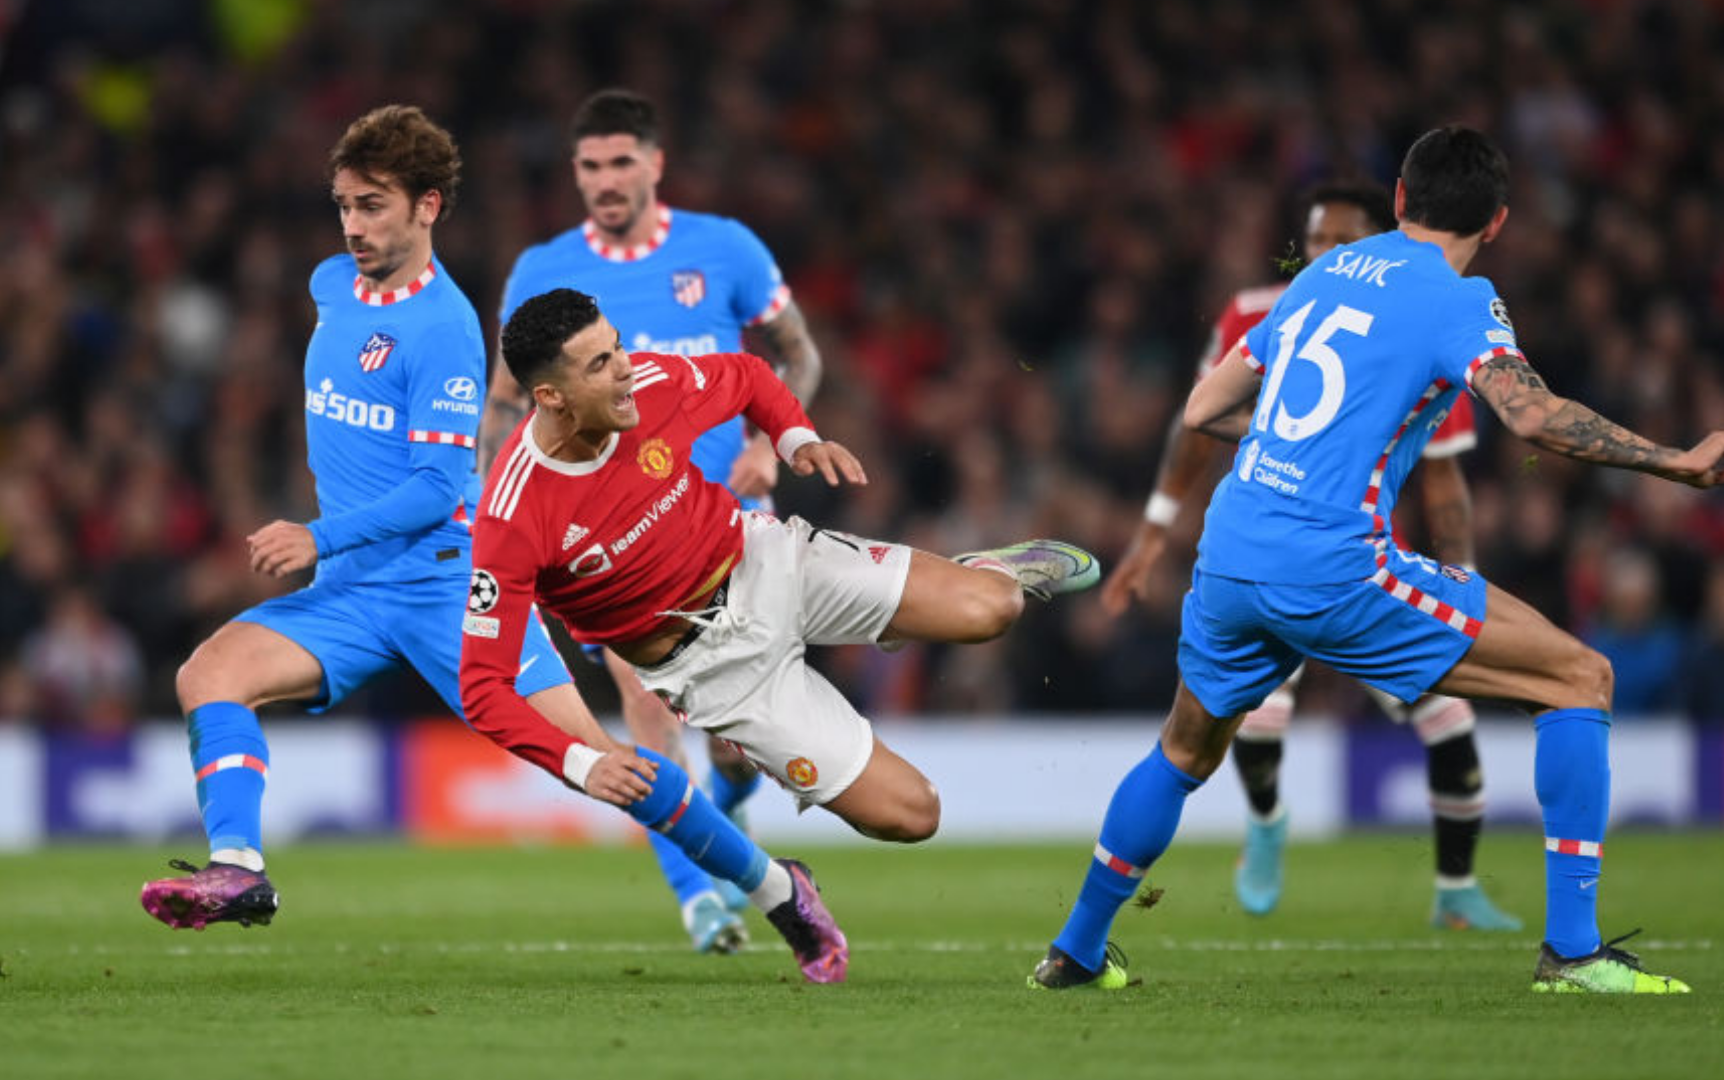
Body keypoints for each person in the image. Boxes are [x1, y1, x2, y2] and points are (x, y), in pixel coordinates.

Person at [138, 106, 845, 984]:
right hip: (353, 594)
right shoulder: (328, 286)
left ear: (428, 207)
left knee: (612, 767)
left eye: (374, 207)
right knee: (208, 675)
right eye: (345, 206)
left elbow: (440, 490)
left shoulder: (446, 329)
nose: (354, 226)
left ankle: (779, 889)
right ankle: (241, 871)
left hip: (447, 588)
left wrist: (315, 536)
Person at [1034, 126, 1718, 995]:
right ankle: (1573, 953)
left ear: (1398, 199)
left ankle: (1075, 951)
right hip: (1333, 565)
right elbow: (1534, 419)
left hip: (1233, 547)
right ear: (1498, 223)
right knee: (1580, 677)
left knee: (1182, 751)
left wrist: (1303, 443)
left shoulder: (1321, 272)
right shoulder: (1459, 298)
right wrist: (1676, 461)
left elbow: (1206, 407)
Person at [461, 288, 1100, 978]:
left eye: (618, 346)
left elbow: (750, 377)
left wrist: (796, 437)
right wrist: (585, 763)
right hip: (713, 669)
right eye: (600, 364)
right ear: (551, 397)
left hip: (768, 560)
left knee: (995, 607)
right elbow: (482, 685)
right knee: (915, 815)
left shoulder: (651, 383)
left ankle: (969, 573)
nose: (626, 369)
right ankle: (758, 768)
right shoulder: (512, 514)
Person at [1101, 181, 1518, 931]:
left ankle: (1456, 888)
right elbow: (1196, 420)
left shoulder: (1419, 320)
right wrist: (1153, 532)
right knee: (1251, 723)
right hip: (1269, 550)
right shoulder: (1260, 310)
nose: (1326, 254)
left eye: (1342, 240)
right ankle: (1265, 822)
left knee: (1448, 723)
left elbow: (1445, 480)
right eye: (1317, 241)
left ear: (1387, 235)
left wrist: (1464, 573)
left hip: (1361, 558)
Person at [486, 89, 823, 955]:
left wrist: (773, 440)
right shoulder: (542, 272)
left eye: (621, 162)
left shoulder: (726, 249)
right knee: (649, 712)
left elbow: (798, 353)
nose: (606, 180)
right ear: (575, 171)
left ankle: (732, 804)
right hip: (614, 550)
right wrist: (488, 509)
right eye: (591, 166)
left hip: (733, 524)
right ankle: (699, 901)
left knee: (743, 748)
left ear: (655, 163)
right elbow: (503, 402)